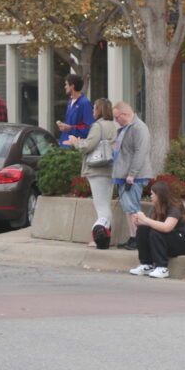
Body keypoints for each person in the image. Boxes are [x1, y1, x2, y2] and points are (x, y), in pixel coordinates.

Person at [66, 97, 117, 249]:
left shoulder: (97, 126)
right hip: (109, 168)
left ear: (99, 110)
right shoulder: (114, 126)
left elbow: (88, 146)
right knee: (105, 205)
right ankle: (105, 237)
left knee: (101, 207)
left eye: (95, 108)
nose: (93, 111)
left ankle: (99, 237)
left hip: (97, 170)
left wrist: (76, 142)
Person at [130, 180, 185, 279]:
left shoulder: (175, 206)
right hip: (169, 239)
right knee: (143, 229)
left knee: (156, 232)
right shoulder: (156, 206)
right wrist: (139, 222)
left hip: (184, 243)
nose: (151, 196)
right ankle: (146, 265)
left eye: (152, 194)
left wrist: (145, 219)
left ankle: (162, 268)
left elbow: (166, 227)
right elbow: (149, 224)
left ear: (159, 195)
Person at [111, 101, 152, 250]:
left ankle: (138, 238)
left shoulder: (139, 128)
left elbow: (140, 152)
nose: (116, 121)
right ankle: (133, 237)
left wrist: (132, 174)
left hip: (134, 176)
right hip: (124, 174)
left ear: (125, 114)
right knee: (128, 208)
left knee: (133, 208)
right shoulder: (125, 128)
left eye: (117, 117)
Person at [56, 73, 93, 145]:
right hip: (65, 144)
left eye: (66, 84)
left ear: (72, 86)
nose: (65, 87)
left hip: (76, 148)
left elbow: (89, 128)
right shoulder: (70, 102)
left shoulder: (85, 103)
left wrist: (70, 128)